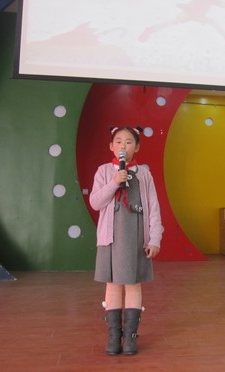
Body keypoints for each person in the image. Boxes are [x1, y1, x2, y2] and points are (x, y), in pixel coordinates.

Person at [89, 126, 163, 356]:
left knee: (133, 283)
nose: (123, 146)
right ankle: (114, 336)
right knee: (112, 284)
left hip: (136, 237)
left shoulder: (144, 174)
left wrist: (155, 238)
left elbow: (153, 208)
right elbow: (96, 202)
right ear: (111, 146)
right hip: (111, 238)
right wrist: (114, 182)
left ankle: (130, 336)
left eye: (129, 142)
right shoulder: (104, 171)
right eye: (119, 141)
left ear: (137, 147)